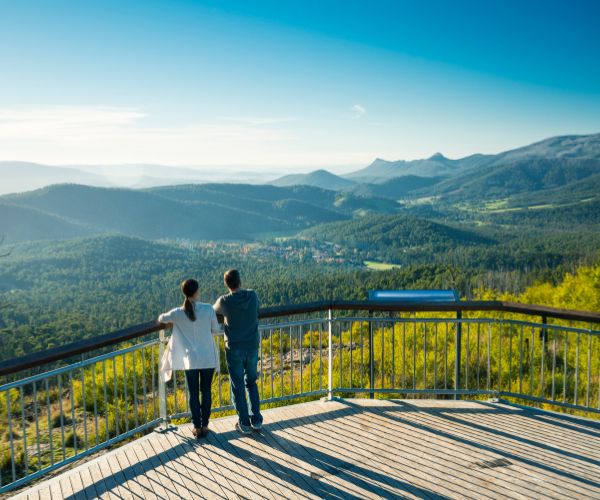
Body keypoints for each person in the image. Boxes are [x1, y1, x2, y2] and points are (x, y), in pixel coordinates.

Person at [159, 279, 222, 438]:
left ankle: (196, 426)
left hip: (190, 359)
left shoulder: (177, 313)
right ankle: (205, 425)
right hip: (207, 356)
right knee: (206, 391)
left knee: (193, 393)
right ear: (197, 292)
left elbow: (161, 319)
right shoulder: (208, 309)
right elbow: (215, 329)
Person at [213, 269, 263, 434]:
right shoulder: (252, 295)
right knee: (251, 383)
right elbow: (257, 309)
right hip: (252, 346)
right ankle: (256, 420)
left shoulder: (224, 301)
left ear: (226, 284)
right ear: (240, 281)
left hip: (234, 347)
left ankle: (244, 423)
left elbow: (213, 311)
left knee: (238, 385)